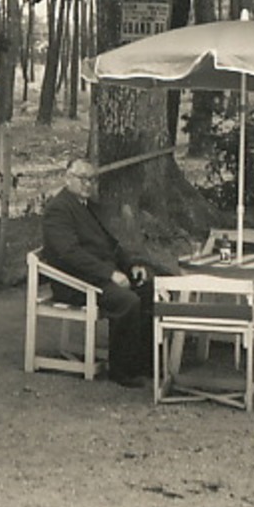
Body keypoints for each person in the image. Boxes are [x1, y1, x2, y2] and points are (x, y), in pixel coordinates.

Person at [41, 157, 164, 388]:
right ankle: (122, 370)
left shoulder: (89, 207)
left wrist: (130, 266)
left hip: (97, 277)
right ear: (68, 179)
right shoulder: (58, 210)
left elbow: (112, 246)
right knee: (126, 301)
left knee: (149, 290)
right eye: (82, 179)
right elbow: (70, 254)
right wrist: (110, 274)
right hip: (74, 283)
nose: (88, 184)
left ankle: (144, 363)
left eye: (92, 179)